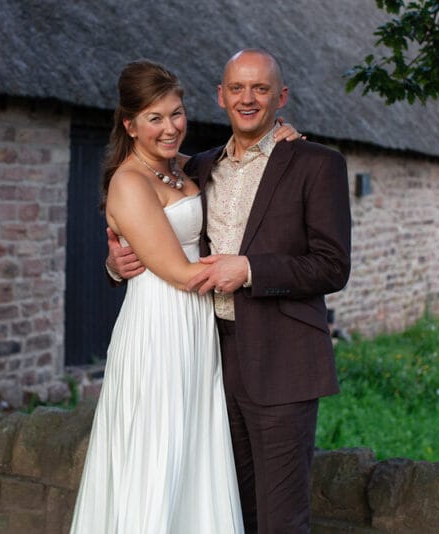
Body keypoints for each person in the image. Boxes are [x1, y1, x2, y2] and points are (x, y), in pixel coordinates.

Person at [107, 49, 352, 533]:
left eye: (260, 89)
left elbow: (332, 266)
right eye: (237, 88)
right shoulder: (195, 168)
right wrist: (115, 264)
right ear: (220, 97)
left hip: (282, 360)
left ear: (280, 97)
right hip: (204, 357)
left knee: (281, 517)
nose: (248, 98)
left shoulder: (316, 163)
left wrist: (252, 269)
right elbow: (150, 227)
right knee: (226, 509)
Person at [70, 59, 302, 534]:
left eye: (176, 113)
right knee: (160, 451)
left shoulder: (188, 167)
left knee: (196, 451)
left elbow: (236, 168)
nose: (170, 127)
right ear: (130, 124)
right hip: (160, 330)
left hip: (198, 330)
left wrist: (274, 139)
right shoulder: (129, 182)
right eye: (154, 118)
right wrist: (248, 269)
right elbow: (179, 271)